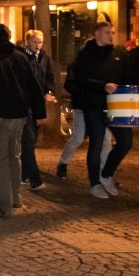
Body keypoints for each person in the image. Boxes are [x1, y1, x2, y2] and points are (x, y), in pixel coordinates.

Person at [0, 24, 49, 217]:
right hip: (19, 116)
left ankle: (4, 206)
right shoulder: (21, 57)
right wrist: (40, 113)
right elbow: (35, 86)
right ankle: (15, 200)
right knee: (14, 157)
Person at [70, 22, 133, 199]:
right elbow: (81, 79)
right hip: (94, 105)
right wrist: (102, 86)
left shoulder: (117, 54)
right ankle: (94, 183)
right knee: (96, 143)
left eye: (112, 32)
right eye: (107, 32)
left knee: (125, 142)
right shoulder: (84, 55)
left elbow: (127, 75)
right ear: (97, 34)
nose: (111, 35)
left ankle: (106, 174)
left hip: (116, 105)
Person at [55, 37, 112, 179]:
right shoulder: (75, 65)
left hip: (99, 107)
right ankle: (63, 163)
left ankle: (105, 172)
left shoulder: (102, 64)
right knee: (78, 137)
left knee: (106, 140)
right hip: (82, 106)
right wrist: (84, 90)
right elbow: (69, 85)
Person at [19, 29, 57, 191]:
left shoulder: (44, 58)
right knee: (27, 139)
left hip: (38, 104)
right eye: (35, 41)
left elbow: (49, 77)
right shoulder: (21, 57)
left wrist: (49, 91)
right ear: (27, 41)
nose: (37, 44)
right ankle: (33, 177)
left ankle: (24, 173)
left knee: (31, 139)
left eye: (40, 42)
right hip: (25, 104)